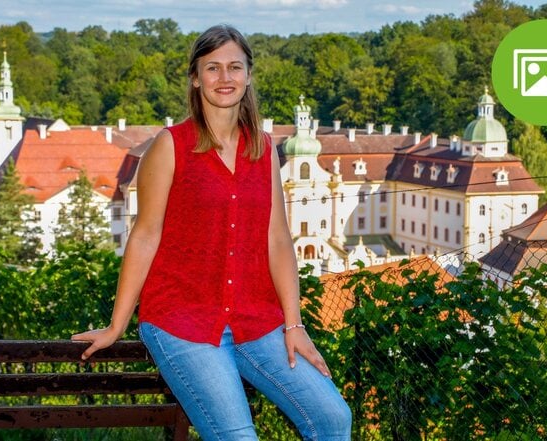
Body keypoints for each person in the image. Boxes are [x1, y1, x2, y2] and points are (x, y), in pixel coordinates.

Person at [72, 24, 352, 440]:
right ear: (195, 77)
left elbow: (277, 239)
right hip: (181, 321)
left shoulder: (262, 148)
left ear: (249, 75)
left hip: (255, 320)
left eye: (234, 67)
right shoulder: (170, 146)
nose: (225, 78)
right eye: (213, 68)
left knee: (332, 418)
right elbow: (145, 235)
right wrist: (118, 324)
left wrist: (294, 325)